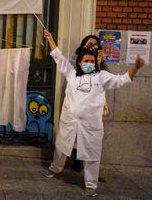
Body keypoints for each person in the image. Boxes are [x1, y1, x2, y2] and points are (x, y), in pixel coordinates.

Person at [42, 30, 144, 197]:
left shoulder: (101, 76)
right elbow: (58, 57)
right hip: (70, 121)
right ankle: (55, 169)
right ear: (80, 63)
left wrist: (136, 68)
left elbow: (121, 80)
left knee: (91, 155)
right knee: (62, 148)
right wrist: (50, 39)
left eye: (91, 61)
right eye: (85, 61)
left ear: (95, 62)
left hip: (90, 126)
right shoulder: (72, 74)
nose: (88, 63)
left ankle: (91, 186)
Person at [72, 34, 110, 172]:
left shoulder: (100, 61)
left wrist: (100, 63)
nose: (92, 46)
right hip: (80, 100)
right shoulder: (77, 58)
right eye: (89, 44)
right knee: (78, 131)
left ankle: (90, 162)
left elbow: (105, 79)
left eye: (95, 44)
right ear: (83, 45)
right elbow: (77, 75)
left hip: (94, 103)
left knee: (91, 132)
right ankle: (76, 159)